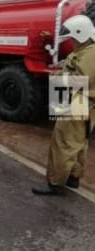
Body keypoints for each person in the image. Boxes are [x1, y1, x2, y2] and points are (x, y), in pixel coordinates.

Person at [32, 15, 95, 195]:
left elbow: (80, 80)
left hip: (77, 99)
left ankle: (55, 183)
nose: (72, 43)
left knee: (63, 142)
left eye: (73, 39)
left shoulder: (91, 53)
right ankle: (73, 177)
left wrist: (56, 77)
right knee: (77, 141)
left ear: (81, 35)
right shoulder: (86, 50)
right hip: (76, 99)